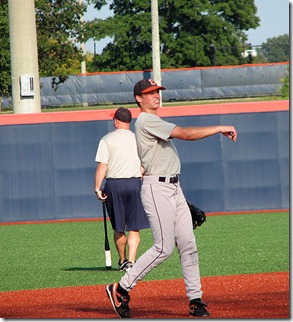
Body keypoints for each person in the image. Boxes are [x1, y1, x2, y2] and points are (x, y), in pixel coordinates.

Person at [105, 79, 238, 318]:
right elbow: (185, 134)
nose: (156, 95)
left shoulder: (153, 121)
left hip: (174, 188)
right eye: (150, 92)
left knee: (188, 244)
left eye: (157, 91)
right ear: (139, 98)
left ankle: (195, 300)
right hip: (157, 188)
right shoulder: (147, 121)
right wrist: (218, 128)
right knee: (164, 247)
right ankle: (121, 288)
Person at [94, 107, 150, 272]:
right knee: (134, 227)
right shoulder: (138, 139)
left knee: (118, 227)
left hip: (114, 185)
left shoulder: (107, 139)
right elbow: (145, 164)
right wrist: (139, 173)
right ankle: (131, 262)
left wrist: (98, 188)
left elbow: (102, 166)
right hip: (134, 183)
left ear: (116, 121)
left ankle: (123, 259)